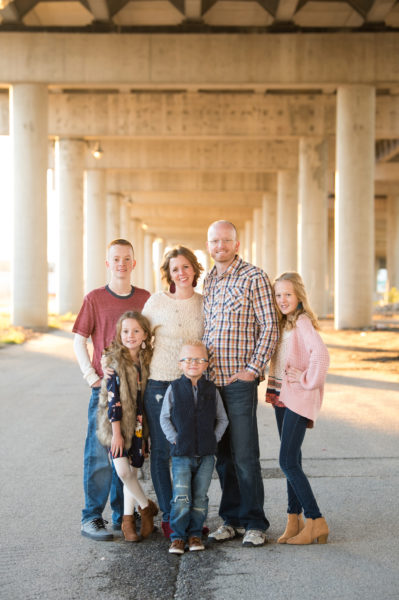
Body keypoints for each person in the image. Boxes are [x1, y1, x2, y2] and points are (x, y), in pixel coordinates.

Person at [203, 220, 279, 548]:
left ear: (236, 243)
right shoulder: (208, 280)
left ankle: (254, 523)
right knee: (223, 456)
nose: (220, 245)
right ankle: (231, 520)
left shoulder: (254, 276)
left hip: (238, 380)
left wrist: (252, 369)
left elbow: (270, 326)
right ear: (208, 244)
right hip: (210, 381)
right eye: (214, 241)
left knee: (245, 454)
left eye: (226, 240)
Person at [73, 239, 150, 541]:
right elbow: (80, 339)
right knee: (99, 455)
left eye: (126, 258)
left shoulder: (145, 298)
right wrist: (90, 376)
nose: (121, 263)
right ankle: (92, 517)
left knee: (129, 454)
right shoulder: (94, 298)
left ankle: (123, 516)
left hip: (138, 392)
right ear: (108, 263)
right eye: (115, 259)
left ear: (134, 263)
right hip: (106, 390)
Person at [141, 246, 204, 539]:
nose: (181, 273)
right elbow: (139, 339)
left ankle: (189, 514)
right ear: (169, 274)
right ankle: (169, 516)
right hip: (160, 383)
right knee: (163, 452)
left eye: (186, 267)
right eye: (175, 268)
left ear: (195, 270)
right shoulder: (156, 302)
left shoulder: (205, 303)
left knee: (189, 452)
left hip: (191, 386)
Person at [266, 272, 330, 545]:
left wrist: (307, 381)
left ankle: (316, 520)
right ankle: (294, 519)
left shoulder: (302, 322)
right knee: (293, 457)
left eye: (288, 294)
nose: (282, 300)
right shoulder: (283, 323)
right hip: (281, 395)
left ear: (299, 296)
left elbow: (321, 355)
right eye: (278, 295)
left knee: (287, 461)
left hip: (297, 397)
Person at [160, 341, 228, 555]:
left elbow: (222, 419)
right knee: (181, 496)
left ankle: (195, 534)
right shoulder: (174, 388)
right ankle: (178, 536)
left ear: (207, 364)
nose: (193, 363)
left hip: (206, 456)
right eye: (188, 359)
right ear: (180, 364)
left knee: (200, 497)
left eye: (199, 359)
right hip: (181, 455)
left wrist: (213, 439)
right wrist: (175, 439)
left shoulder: (211, 389)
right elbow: (164, 418)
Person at [97, 311, 158, 542]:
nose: (130, 336)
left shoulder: (148, 361)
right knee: (122, 471)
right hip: (117, 424)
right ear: (119, 333)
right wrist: (116, 434)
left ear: (144, 334)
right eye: (125, 331)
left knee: (131, 473)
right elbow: (113, 400)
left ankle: (128, 521)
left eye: (136, 331)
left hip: (140, 425)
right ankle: (147, 507)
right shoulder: (114, 362)